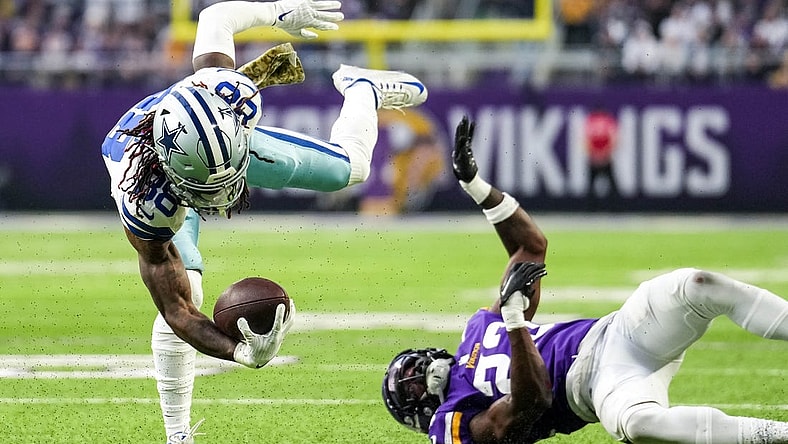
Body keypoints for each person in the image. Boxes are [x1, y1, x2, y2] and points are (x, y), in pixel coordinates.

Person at [100, 1, 428, 442]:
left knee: (352, 169)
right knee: (188, 286)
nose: (221, 199)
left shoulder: (226, 94)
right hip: (164, 175)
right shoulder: (143, 202)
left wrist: (277, 13)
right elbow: (177, 311)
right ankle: (177, 435)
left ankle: (361, 88)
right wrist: (239, 352)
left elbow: (214, 17)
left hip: (218, 143)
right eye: (207, 193)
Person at [382, 116, 788, 443]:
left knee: (696, 285)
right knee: (640, 424)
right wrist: (515, 319)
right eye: (411, 387)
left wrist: (477, 187)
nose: (421, 374)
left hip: (620, 332)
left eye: (413, 369)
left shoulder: (478, 329)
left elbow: (531, 247)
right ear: (418, 413)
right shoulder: (454, 419)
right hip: (596, 387)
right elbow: (531, 402)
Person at [584, 105, 619, 209]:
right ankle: (615, 208)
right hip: (606, 158)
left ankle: (591, 209)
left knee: (591, 187)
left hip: (594, 158)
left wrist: (594, 154)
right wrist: (605, 153)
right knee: (613, 186)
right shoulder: (608, 121)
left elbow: (586, 140)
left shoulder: (590, 121)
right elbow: (614, 139)